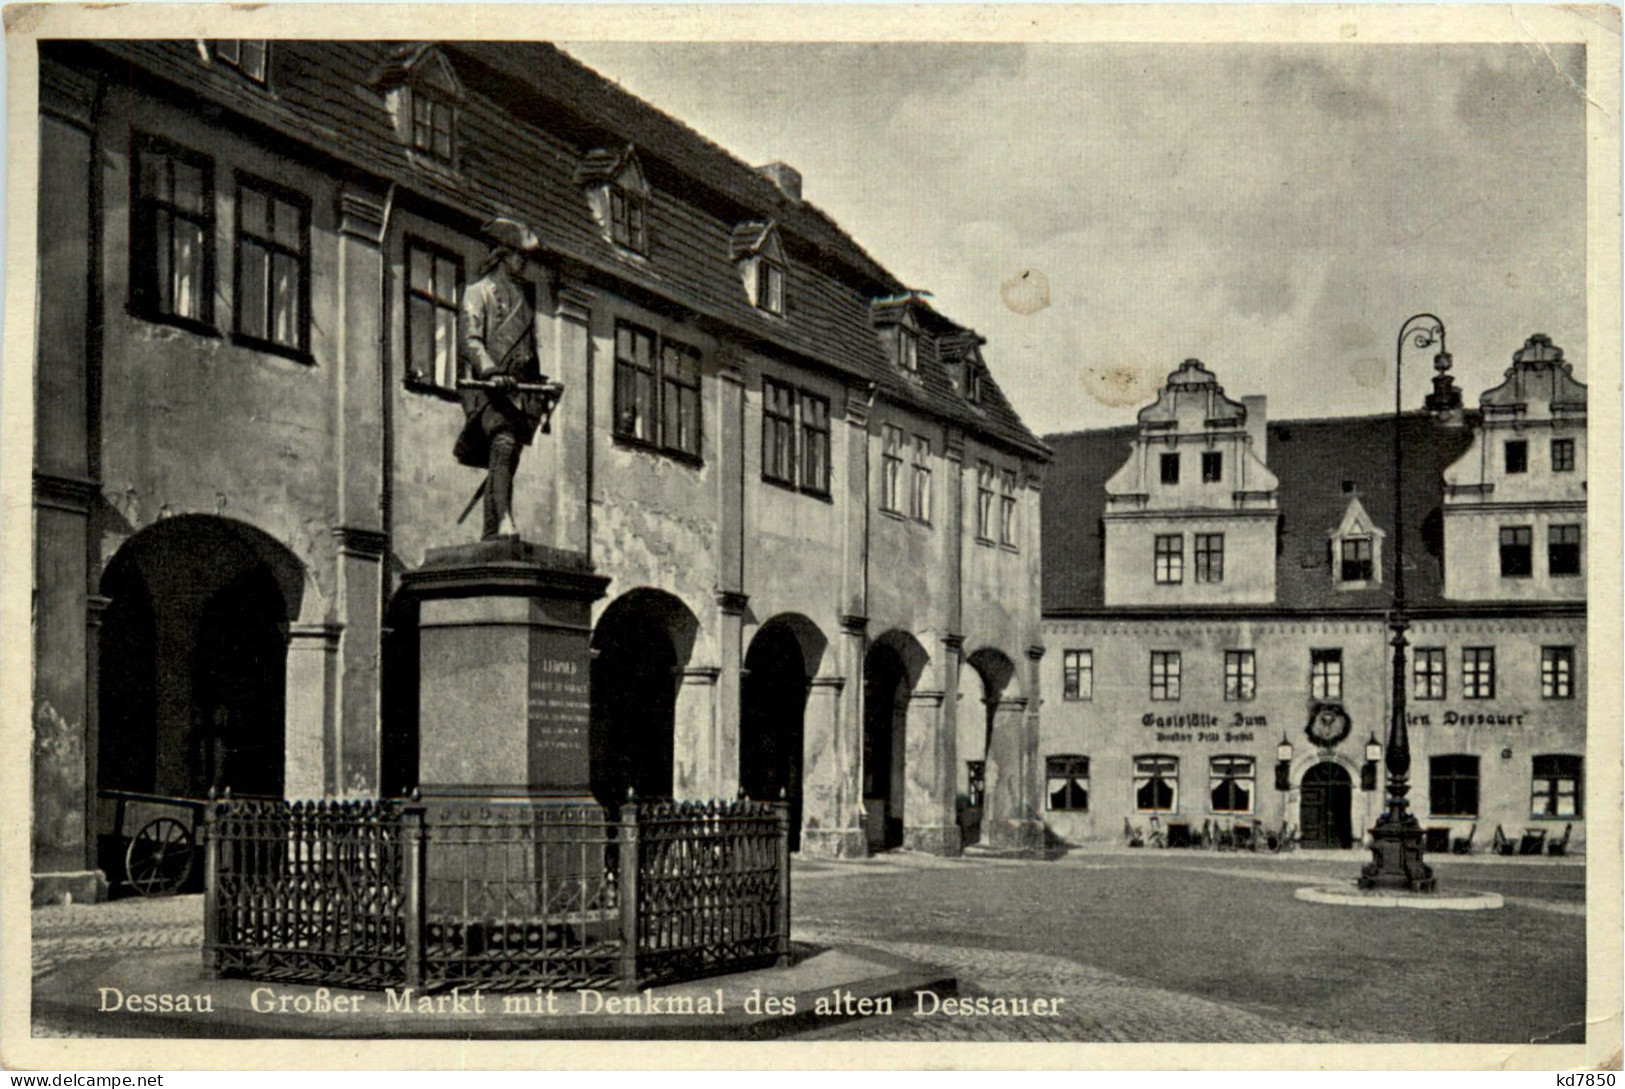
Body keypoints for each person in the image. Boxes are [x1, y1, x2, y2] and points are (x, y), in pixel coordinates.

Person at [454, 218, 547, 539]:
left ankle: (491, 531)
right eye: (521, 256)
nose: (525, 263)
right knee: (504, 445)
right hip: (490, 390)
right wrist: (491, 371)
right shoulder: (478, 292)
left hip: (520, 392)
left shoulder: (526, 299)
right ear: (504, 255)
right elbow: (470, 340)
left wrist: (543, 384)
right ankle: (504, 520)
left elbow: (529, 350)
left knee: (507, 458)